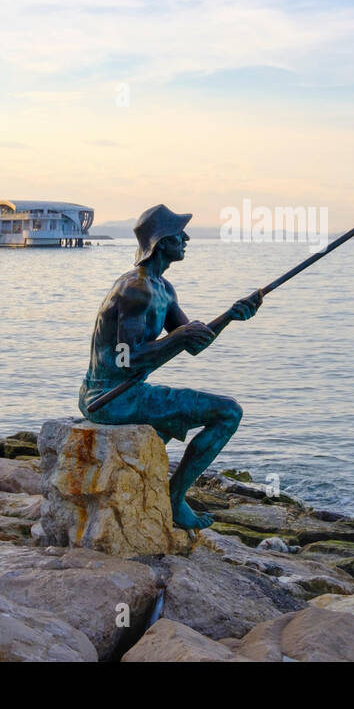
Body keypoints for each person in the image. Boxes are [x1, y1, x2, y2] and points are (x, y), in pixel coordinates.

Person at [79, 204, 260, 529]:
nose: (187, 238)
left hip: (129, 391)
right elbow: (125, 360)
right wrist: (178, 339)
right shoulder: (135, 291)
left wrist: (232, 316)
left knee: (227, 411)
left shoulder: (163, 288)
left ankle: (173, 495)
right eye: (179, 234)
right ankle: (175, 498)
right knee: (228, 413)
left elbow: (193, 343)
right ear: (162, 242)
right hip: (110, 399)